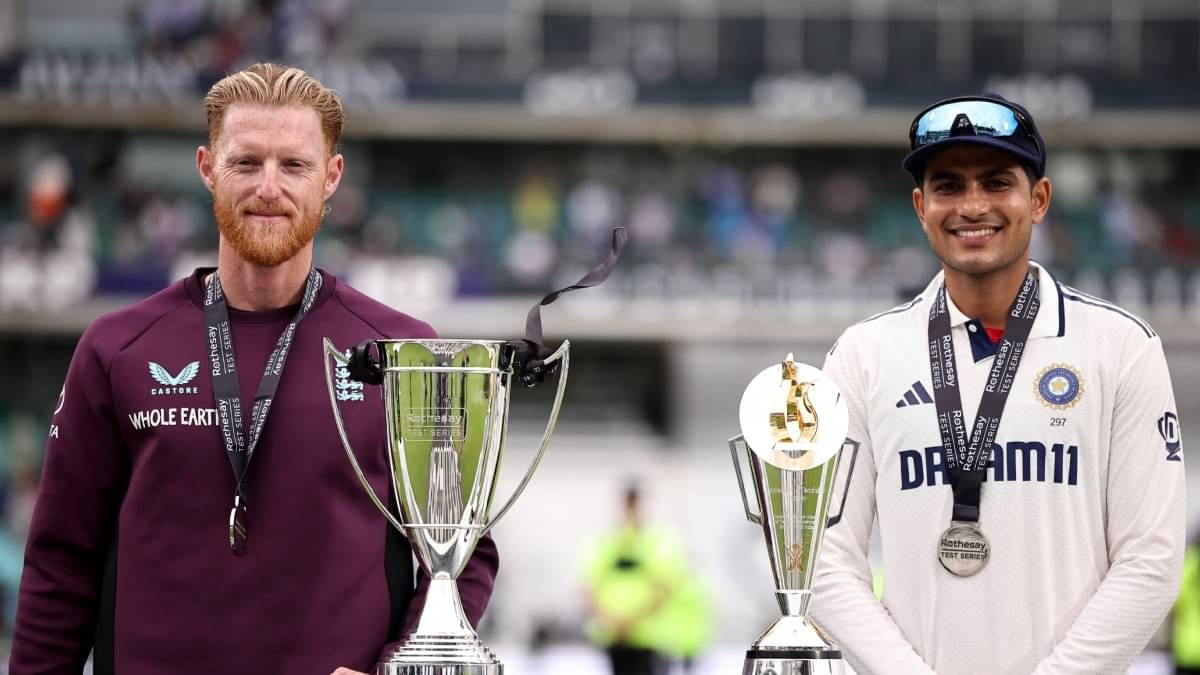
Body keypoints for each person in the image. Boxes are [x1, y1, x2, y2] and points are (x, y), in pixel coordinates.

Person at [9, 63, 498, 675]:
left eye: (294, 165)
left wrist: (395, 670)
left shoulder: (402, 352)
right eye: (246, 162)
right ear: (207, 168)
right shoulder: (117, 348)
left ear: (331, 177)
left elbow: (461, 557)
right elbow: (60, 565)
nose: (269, 187)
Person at [810, 94, 1184, 674]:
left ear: (1039, 199)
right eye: (948, 186)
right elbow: (824, 564)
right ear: (921, 206)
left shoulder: (1121, 347)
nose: (972, 205)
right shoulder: (864, 356)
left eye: (996, 182)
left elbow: (1151, 560)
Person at [581, 484, 684, 675]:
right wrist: (611, 621)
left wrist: (630, 622)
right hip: (614, 637)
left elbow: (664, 588)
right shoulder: (608, 541)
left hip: (648, 638)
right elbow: (590, 586)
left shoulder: (657, 541)